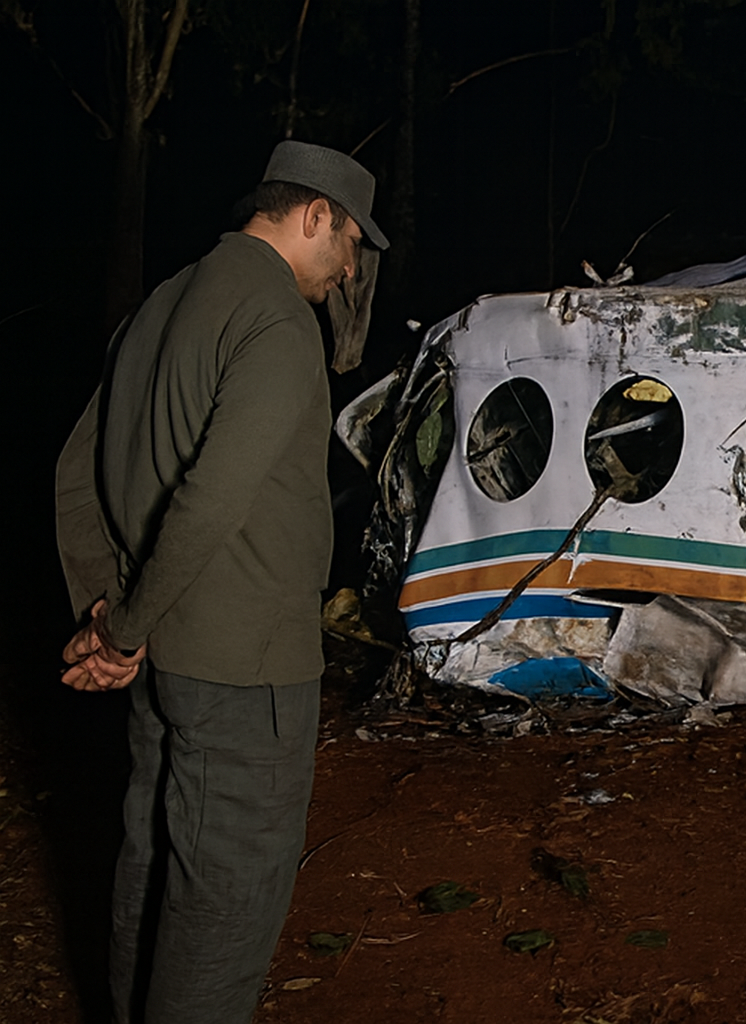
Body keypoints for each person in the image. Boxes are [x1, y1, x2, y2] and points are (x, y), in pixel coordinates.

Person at [54, 140, 388, 1024]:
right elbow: (208, 503)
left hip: (166, 663)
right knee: (225, 905)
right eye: (352, 243)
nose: (350, 269)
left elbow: (73, 469)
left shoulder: (163, 303)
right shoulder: (276, 321)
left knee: (155, 870)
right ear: (316, 216)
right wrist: (121, 628)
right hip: (247, 672)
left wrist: (105, 609)